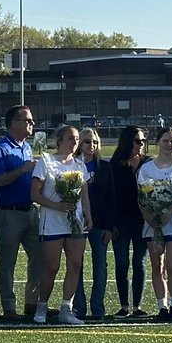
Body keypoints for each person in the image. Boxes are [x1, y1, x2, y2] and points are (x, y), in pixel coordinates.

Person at [31, 126, 92, 326]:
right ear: (59, 140)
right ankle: (42, 306)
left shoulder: (80, 165)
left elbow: (84, 196)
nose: (74, 142)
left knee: (75, 265)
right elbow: (35, 194)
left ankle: (67, 308)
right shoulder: (45, 162)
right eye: (70, 138)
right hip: (53, 223)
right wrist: (56, 206)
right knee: (51, 266)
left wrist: (87, 217)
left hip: (75, 223)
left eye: (76, 139)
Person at [0, 105, 44, 319]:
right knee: (8, 261)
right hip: (8, 213)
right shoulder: (1, 149)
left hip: (30, 210)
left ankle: (32, 302)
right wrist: (22, 169)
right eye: (27, 120)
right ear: (14, 123)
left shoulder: (26, 147)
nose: (31, 124)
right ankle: (9, 307)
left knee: (39, 257)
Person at [138, 126, 172, 321]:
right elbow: (142, 196)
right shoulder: (146, 168)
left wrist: (170, 211)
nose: (169, 144)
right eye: (165, 141)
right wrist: (150, 217)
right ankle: (162, 306)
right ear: (157, 142)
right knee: (157, 266)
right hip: (153, 225)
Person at [73, 127, 115, 321]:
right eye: (87, 141)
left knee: (100, 266)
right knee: (76, 265)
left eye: (95, 142)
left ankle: (97, 308)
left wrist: (108, 226)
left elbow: (111, 197)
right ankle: (78, 308)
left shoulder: (105, 167)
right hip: (75, 223)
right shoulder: (71, 165)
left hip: (99, 224)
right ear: (80, 143)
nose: (92, 145)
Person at [108, 127, 150, 317]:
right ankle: (124, 305)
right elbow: (110, 196)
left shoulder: (149, 164)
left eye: (142, 141)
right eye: (136, 141)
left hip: (143, 221)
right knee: (122, 262)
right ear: (127, 142)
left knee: (139, 262)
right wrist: (112, 223)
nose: (140, 145)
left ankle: (137, 306)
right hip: (121, 221)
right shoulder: (115, 165)